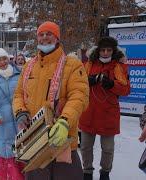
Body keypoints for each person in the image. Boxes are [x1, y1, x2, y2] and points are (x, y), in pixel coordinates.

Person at [13, 21, 89, 180]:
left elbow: (79, 96)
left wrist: (65, 121)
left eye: (49, 34)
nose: (44, 37)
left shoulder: (72, 64)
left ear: (57, 38)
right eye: (41, 34)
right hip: (35, 139)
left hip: (61, 137)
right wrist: (20, 112)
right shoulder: (29, 66)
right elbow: (19, 94)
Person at [79, 37, 131, 180]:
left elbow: (126, 89)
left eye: (109, 50)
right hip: (89, 113)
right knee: (85, 147)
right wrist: (88, 81)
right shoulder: (88, 64)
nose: (106, 53)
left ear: (113, 51)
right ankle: (87, 172)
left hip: (109, 114)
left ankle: (105, 173)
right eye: (103, 50)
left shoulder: (119, 67)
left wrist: (112, 85)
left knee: (108, 149)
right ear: (98, 50)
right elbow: (78, 83)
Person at [0, 48, 24, 180]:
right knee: (3, 153)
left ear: (8, 58)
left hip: (20, 119)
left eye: (4, 58)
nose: (2, 62)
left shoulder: (19, 74)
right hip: (1, 122)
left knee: (20, 152)